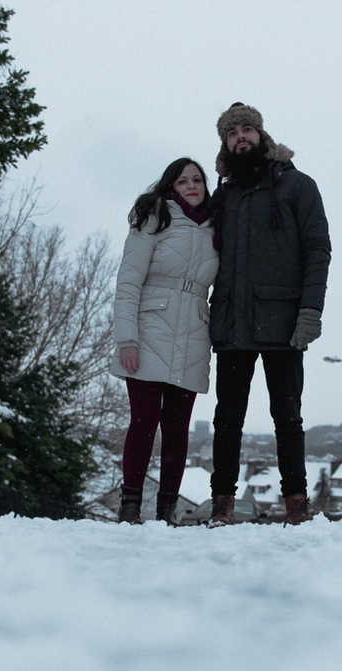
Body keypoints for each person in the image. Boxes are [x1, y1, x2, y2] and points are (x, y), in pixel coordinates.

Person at [206, 102, 331, 527]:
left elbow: (318, 250)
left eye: (247, 129)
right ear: (225, 142)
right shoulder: (222, 196)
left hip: (282, 322)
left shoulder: (298, 186)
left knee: (288, 418)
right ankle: (221, 504)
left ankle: (296, 503)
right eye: (232, 132)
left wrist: (311, 310)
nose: (241, 137)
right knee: (227, 420)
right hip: (232, 323)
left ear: (261, 135)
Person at [110, 158, 219, 525]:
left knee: (177, 428)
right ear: (171, 186)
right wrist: (127, 338)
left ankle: (167, 511)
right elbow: (128, 282)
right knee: (144, 420)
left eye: (197, 179)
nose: (191, 185)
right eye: (183, 180)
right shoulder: (156, 216)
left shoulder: (216, 227)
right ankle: (129, 507)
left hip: (193, 334)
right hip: (149, 328)